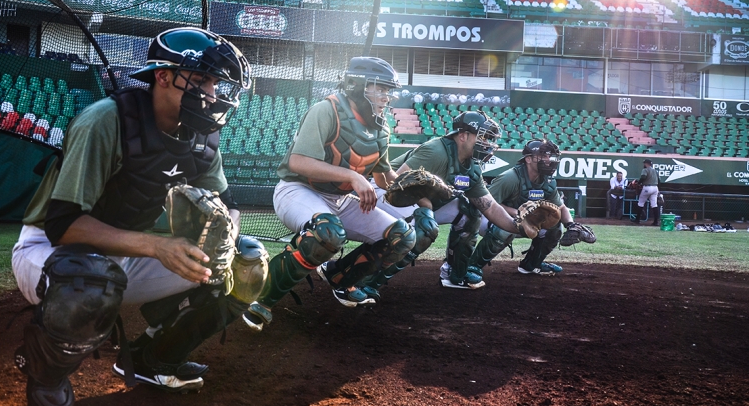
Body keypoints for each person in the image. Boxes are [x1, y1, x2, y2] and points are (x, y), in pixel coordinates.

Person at [10, 27, 256, 406]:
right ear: (163, 76)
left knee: (245, 262)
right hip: (52, 252)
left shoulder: (202, 135)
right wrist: (157, 247)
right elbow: (61, 224)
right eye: (203, 79)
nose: (213, 93)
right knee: (90, 280)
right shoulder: (105, 120)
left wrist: (225, 239)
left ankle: (153, 360)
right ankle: (45, 378)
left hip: (125, 255)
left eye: (216, 82)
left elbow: (228, 204)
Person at [242, 57, 415, 331]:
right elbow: (298, 161)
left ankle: (340, 278)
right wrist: (353, 176)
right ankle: (261, 299)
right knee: (326, 233)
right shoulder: (327, 110)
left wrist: (411, 186)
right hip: (298, 190)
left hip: (340, 200)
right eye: (380, 88)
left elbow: (383, 178)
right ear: (358, 85)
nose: (386, 96)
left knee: (402, 236)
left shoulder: (381, 128)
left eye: (388, 90)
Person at [359, 110, 523, 297]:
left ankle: (454, 273)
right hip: (385, 193)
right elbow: (398, 183)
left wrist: (518, 226)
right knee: (425, 227)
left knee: (469, 211)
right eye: (483, 137)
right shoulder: (436, 151)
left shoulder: (472, 167)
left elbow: (490, 207)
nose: (487, 143)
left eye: (488, 139)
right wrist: (426, 205)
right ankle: (366, 282)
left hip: (419, 201)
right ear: (463, 136)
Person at [470, 139, 575, 276]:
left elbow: (561, 207)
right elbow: (486, 204)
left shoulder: (548, 181)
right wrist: (518, 213)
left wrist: (571, 225)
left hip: (524, 223)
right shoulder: (510, 178)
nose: (548, 159)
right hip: (490, 219)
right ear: (528, 159)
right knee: (506, 229)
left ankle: (531, 264)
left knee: (555, 227)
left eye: (549, 156)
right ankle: (472, 266)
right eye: (542, 155)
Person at [631, 158, 660, 226]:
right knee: (654, 205)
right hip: (655, 187)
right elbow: (659, 180)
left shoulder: (645, 169)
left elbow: (643, 177)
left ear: (647, 164)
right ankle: (656, 221)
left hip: (647, 187)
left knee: (640, 203)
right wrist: (658, 189)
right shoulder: (655, 170)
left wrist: (639, 182)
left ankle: (637, 220)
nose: (644, 164)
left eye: (644, 163)